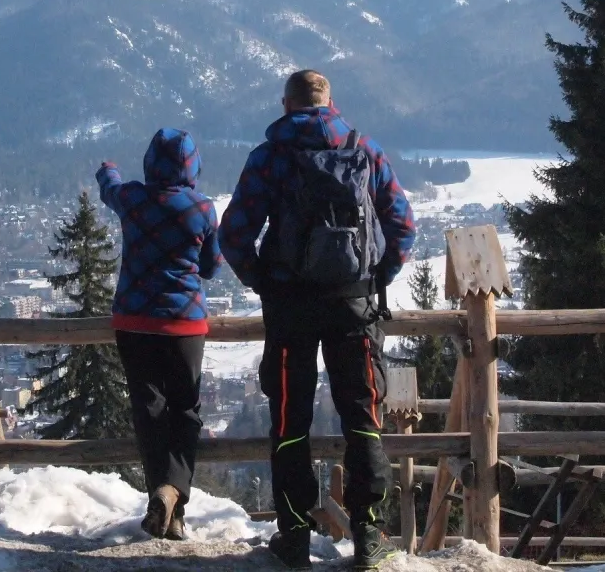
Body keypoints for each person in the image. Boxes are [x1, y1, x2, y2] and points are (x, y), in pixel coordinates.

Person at [219, 70, 416, 570]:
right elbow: (402, 225)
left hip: (290, 308)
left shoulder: (270, 156)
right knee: (363, 414)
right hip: (355, 304)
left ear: (286, 104)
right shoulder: (364, 150)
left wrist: (264, 281)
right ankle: (368, 534)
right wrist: (376, 276)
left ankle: (294, 535)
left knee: (290, 418)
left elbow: (234, 234)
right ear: (332, 102)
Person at [96, 128, 223, 542]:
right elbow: (211, 266)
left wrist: (108, 169)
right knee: (185, 409)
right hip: (185, 323)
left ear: (151, 163)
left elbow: (110, 189)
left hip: (134, 321)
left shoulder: (133, 199)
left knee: (149, 409)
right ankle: (174, 501)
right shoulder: (202, 208)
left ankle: (162, 498)